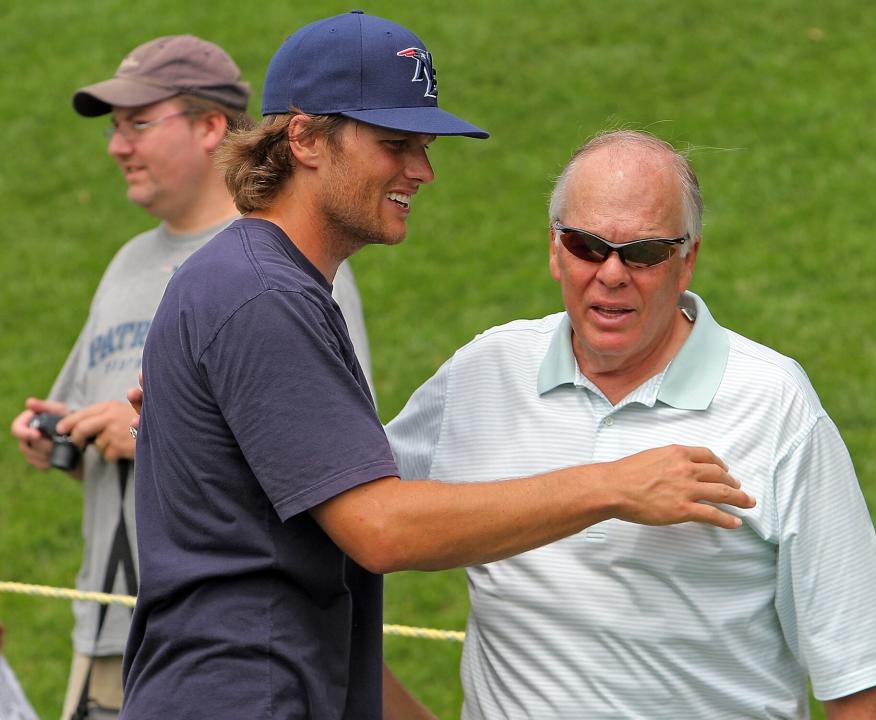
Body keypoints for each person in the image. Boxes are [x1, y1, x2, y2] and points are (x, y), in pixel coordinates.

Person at [120, 12, 755, 720]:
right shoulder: (263, 295)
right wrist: (613, 485)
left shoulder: (262, 286)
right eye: (395, 144)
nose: (422, 170)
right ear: (303, 137)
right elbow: (383, 529)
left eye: (423, 145)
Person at [385, 129, 876, 718]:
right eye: (588, 246)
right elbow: (340, 522)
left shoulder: (774, 403)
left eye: (643, 252)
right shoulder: (485, 373)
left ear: (686, 261)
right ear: (555, 251)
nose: (612, 274)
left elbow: (858, 675)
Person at [8, 34, 373, 720]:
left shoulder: (285, 270)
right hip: (114, 633)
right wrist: (65, 437)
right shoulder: (124, 265)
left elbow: (335, 462)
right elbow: (112, 433)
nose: (118, 146)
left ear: (211, 127)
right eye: (116, 128)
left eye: (138, 123)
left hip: (228, 651)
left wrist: (149, 434)